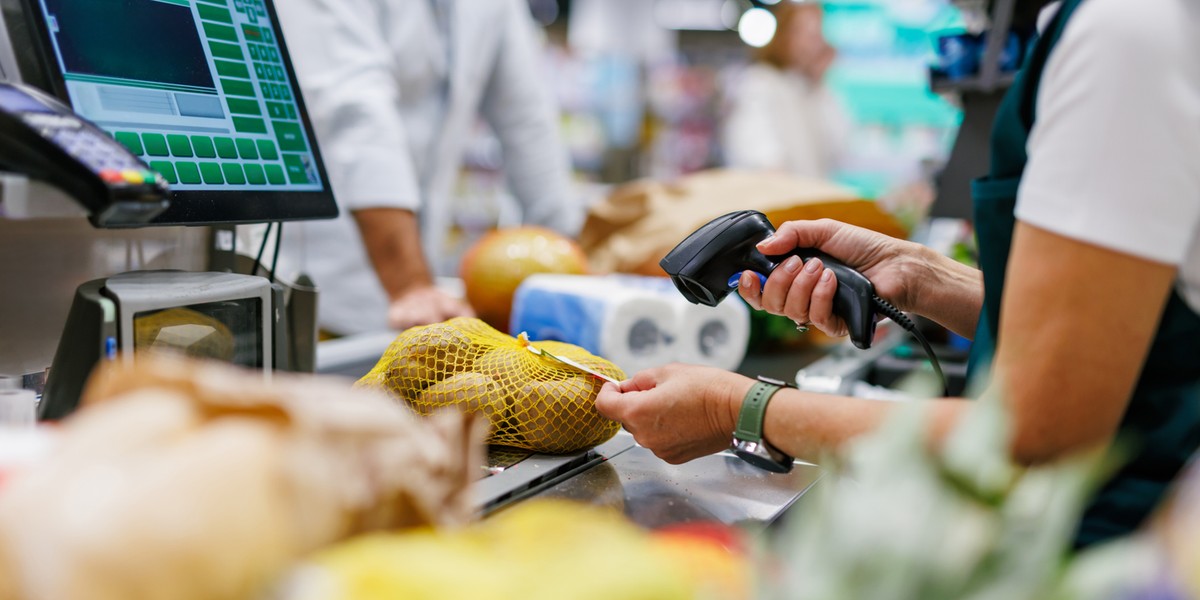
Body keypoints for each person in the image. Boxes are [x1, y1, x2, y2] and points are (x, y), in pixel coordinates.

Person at [597, 0, 1200, 547]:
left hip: (1121, 542)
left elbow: (1028, 440)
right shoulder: (1112, 30)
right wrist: (918, 273)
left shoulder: (1121, 34)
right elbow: (1105, 326)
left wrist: (737, 409)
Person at [274, 0, 581, 335]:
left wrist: (574, 274)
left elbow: (527, 122)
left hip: (422, 298)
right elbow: (357, 114)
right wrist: (410, 285)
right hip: (325, 297)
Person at [721, 1, 850, 180]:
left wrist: (820, 84)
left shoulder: (811, 89)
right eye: (805, 34)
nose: (813, 44)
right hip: (778, 199)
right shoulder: (760, 82)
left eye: (816, 35)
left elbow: (838, 149)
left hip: (807, 199)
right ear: (784, 35)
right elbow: (758, 152)